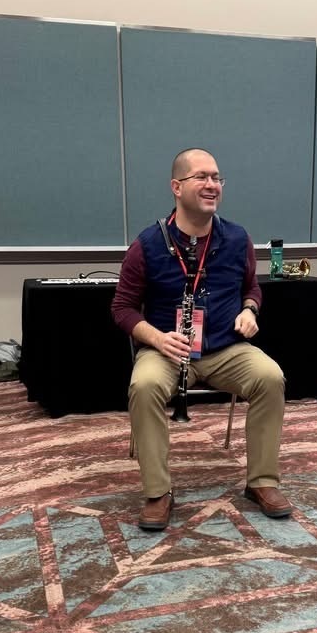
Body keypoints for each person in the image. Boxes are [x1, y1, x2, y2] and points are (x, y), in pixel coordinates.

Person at [111, 148, 292, 531]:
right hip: (168, 351)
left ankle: (261, 481)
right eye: (201, 177)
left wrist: (249, 311)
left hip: (226, 349)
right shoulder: (147, 244)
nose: (212, 185)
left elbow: (252, 288)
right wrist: (158, 340)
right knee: (143, 386)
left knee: (270, 376)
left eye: (217, 178)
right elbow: (123, 308)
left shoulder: (238, 238)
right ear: (176, 187)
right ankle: (159, 492)